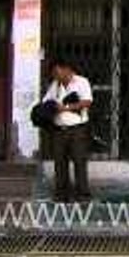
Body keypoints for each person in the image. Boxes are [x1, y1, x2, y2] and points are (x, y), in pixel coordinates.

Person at [42, 59, 94, 203]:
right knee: (59, 163)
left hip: (77, 129)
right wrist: (49, 108)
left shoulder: (81, 82)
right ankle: (61, 194)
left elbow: (87, 102)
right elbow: (46, 101)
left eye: (57, 72)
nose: (55, 75)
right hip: (59, 129)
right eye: (53, 73)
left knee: (79, 161)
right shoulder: (55, 85)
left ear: (67, 69)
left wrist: (65, 108)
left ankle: (83, 195)